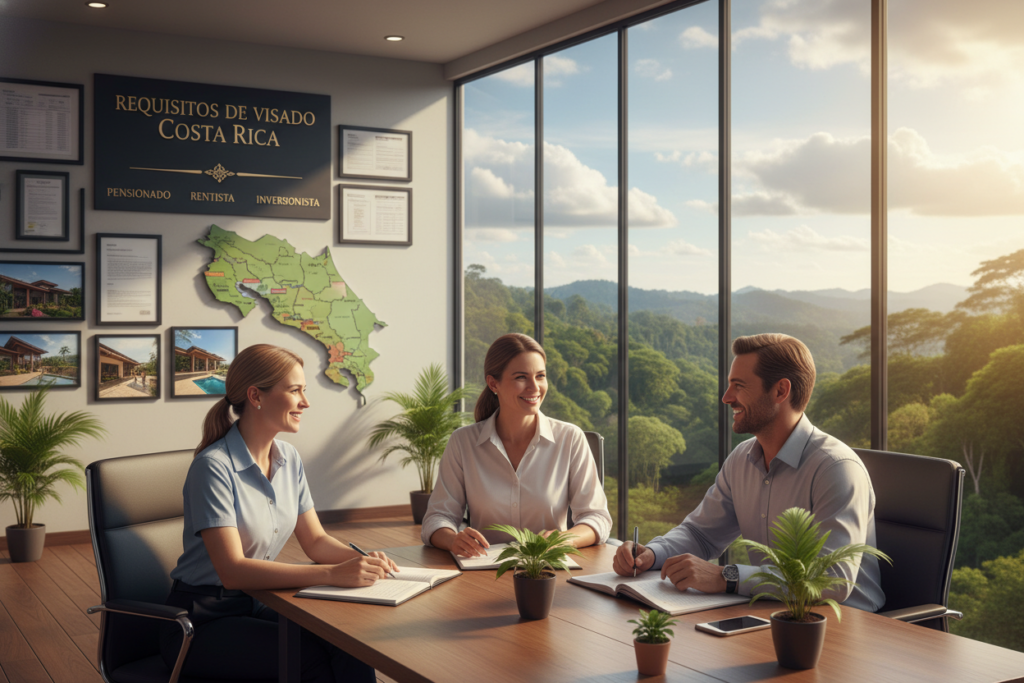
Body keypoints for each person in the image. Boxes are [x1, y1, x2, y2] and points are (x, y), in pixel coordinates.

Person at [160, 344, 396, 682]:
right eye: (295, 390)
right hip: (202, 622)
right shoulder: (213, 468)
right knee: (307, 659)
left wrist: (362, 561)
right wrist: (331, 575)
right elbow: (234, 572)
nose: (306, 402)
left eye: (305, 391)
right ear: (256, 396)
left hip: (257, 603)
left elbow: (315, 541)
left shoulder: (288, 458)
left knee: (348, 643)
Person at [612, 333, 884, 612]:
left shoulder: (836, 469)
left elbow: (832, 581)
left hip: (846, 627)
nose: (726, 397)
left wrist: (726, 577)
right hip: (774, 614)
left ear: (780, 391)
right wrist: (652, 553)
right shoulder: (741, 459)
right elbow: (701, 534)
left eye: (738, 386)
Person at [421, 332, 612, 556]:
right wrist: (453, 540)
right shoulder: (463, 443)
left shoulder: (570, 438)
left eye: (540, 376)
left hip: (550, 575)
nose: (535, 387)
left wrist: (564, 539)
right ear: (493, 383)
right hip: (484, 573)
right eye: (521, 377)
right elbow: (436, 518)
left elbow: (597, 517)